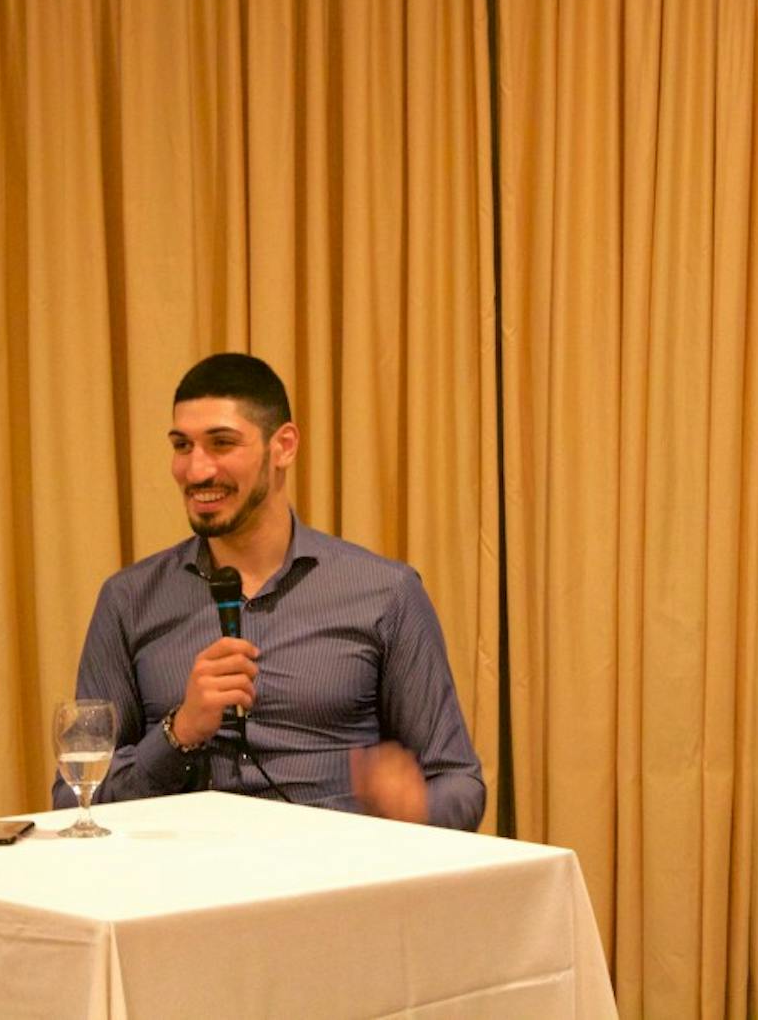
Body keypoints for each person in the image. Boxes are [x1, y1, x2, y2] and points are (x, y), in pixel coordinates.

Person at [52, 353, 485, 830]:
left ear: (283, 446)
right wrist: (179, 733)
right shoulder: (128, 600)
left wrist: (414, 809)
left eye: (221, 444)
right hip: (179, 887)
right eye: (182, 446)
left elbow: (458, 782)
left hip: (336, 883)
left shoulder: (386, 593)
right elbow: (74, 804)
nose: (196, 471)